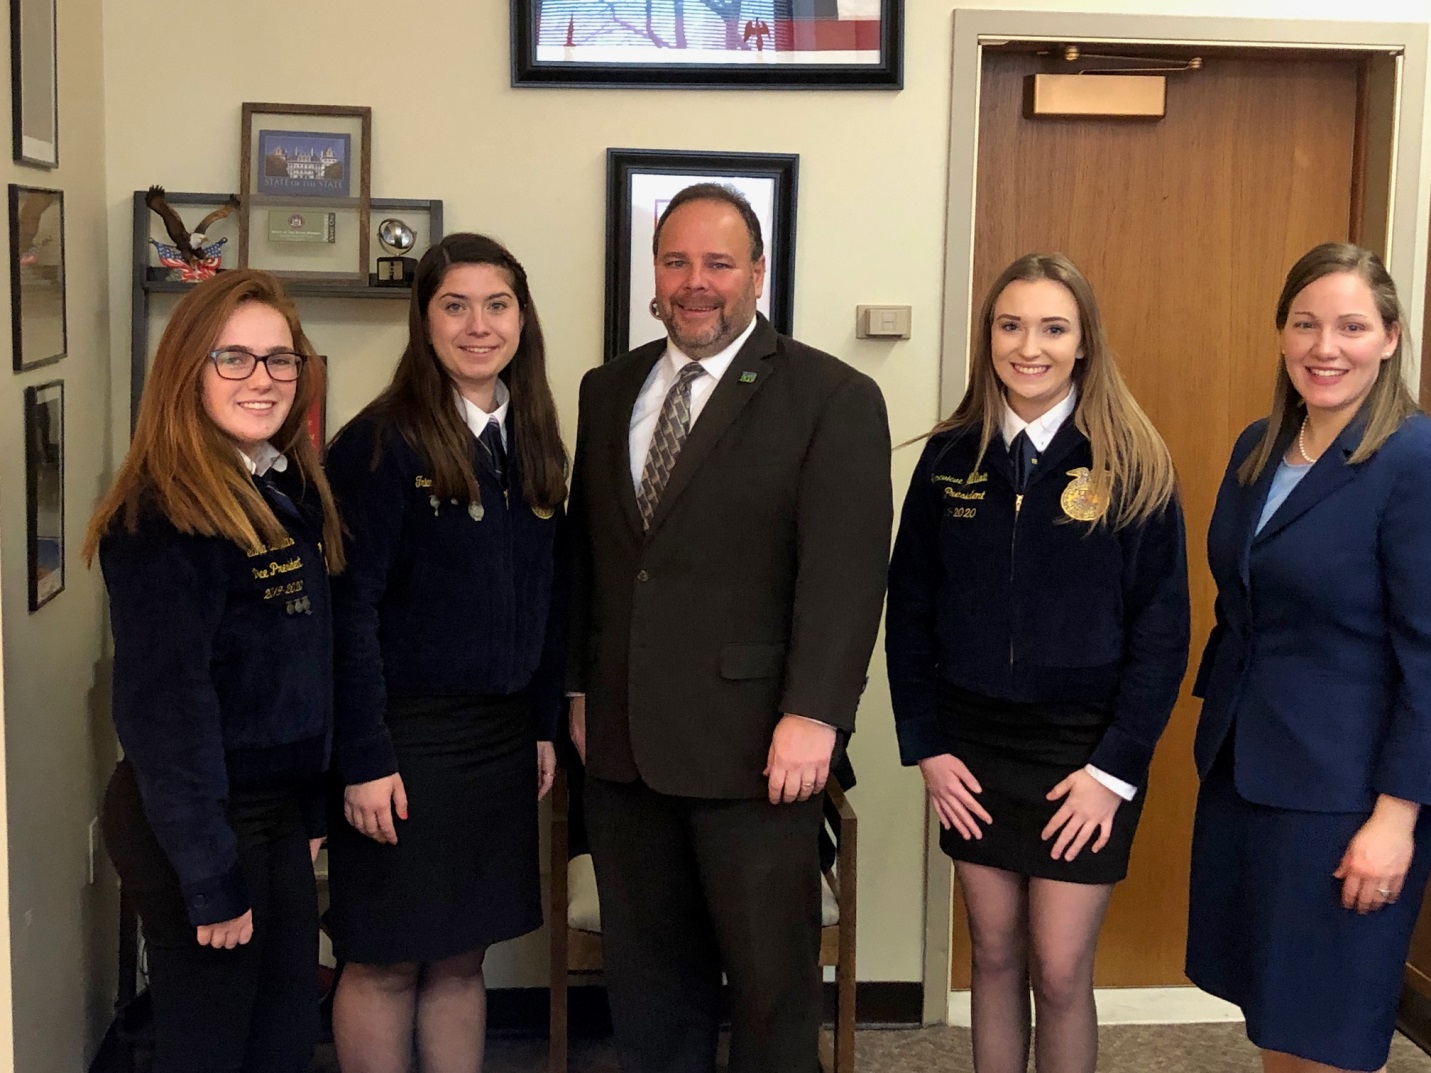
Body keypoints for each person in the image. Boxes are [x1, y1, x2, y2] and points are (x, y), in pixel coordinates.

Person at [565, 183, 892, 1073]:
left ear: (757, 273)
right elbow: (589, 558)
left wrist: (816, 714)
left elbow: (846, 575)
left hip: (758, 754)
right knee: (648, 989)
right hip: (627, 754)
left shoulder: (831, 395)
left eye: (717, 262)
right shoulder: (607, 390)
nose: (695, 282)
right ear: (654, 277)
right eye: (676, 262)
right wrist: (579, 685)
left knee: (768, 993)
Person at [885, 252, 1189, 1073]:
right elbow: (907, 609)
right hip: (970, 747)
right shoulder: (950, 456)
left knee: (1058, 969)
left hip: (1081, 756)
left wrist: (1114, 769)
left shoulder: (1132, 459)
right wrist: (927, 745)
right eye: (1010, 325)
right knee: (990, 956)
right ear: (987, 336)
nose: (1030, 346)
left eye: (1053, 328)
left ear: (1084, 341)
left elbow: (1162, 634)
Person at [84, 269, 344, 1073]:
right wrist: (209, 876)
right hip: (196, 820)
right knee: (211, 1047)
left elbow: (295, 671)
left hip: (270, 811)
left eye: (279, 358)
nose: (261, 379)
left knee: (281, 1037)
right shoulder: (161, 515)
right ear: (187, 371)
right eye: (233, 358)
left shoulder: (279, 483)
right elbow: (165, 716)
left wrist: (304, 810)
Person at [323, 233, 567, 1073]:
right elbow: (346, 613)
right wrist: (361, 758)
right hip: (400, 743)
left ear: (522, 318)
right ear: (423, 321)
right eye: (453, 305)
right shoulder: (379, 444)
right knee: (386, 957)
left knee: (465, 955)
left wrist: (540, 725)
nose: (477, 325)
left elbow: (545, 600)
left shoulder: (530, 436)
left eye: (496, 304)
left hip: (496, 741)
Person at [1186, 243, 1431, 1073]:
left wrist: (1395, 819)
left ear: (1390, 338)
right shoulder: (1261, 446)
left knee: (1328, 1030)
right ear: (1282, 333)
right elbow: (1240, 605)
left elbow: (1427, 654)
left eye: (1352, 326)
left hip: (1346, 798)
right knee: (1279, 1020)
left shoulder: (1413, 460)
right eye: (1306, 324)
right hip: (1249, 774)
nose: (1325, 347)